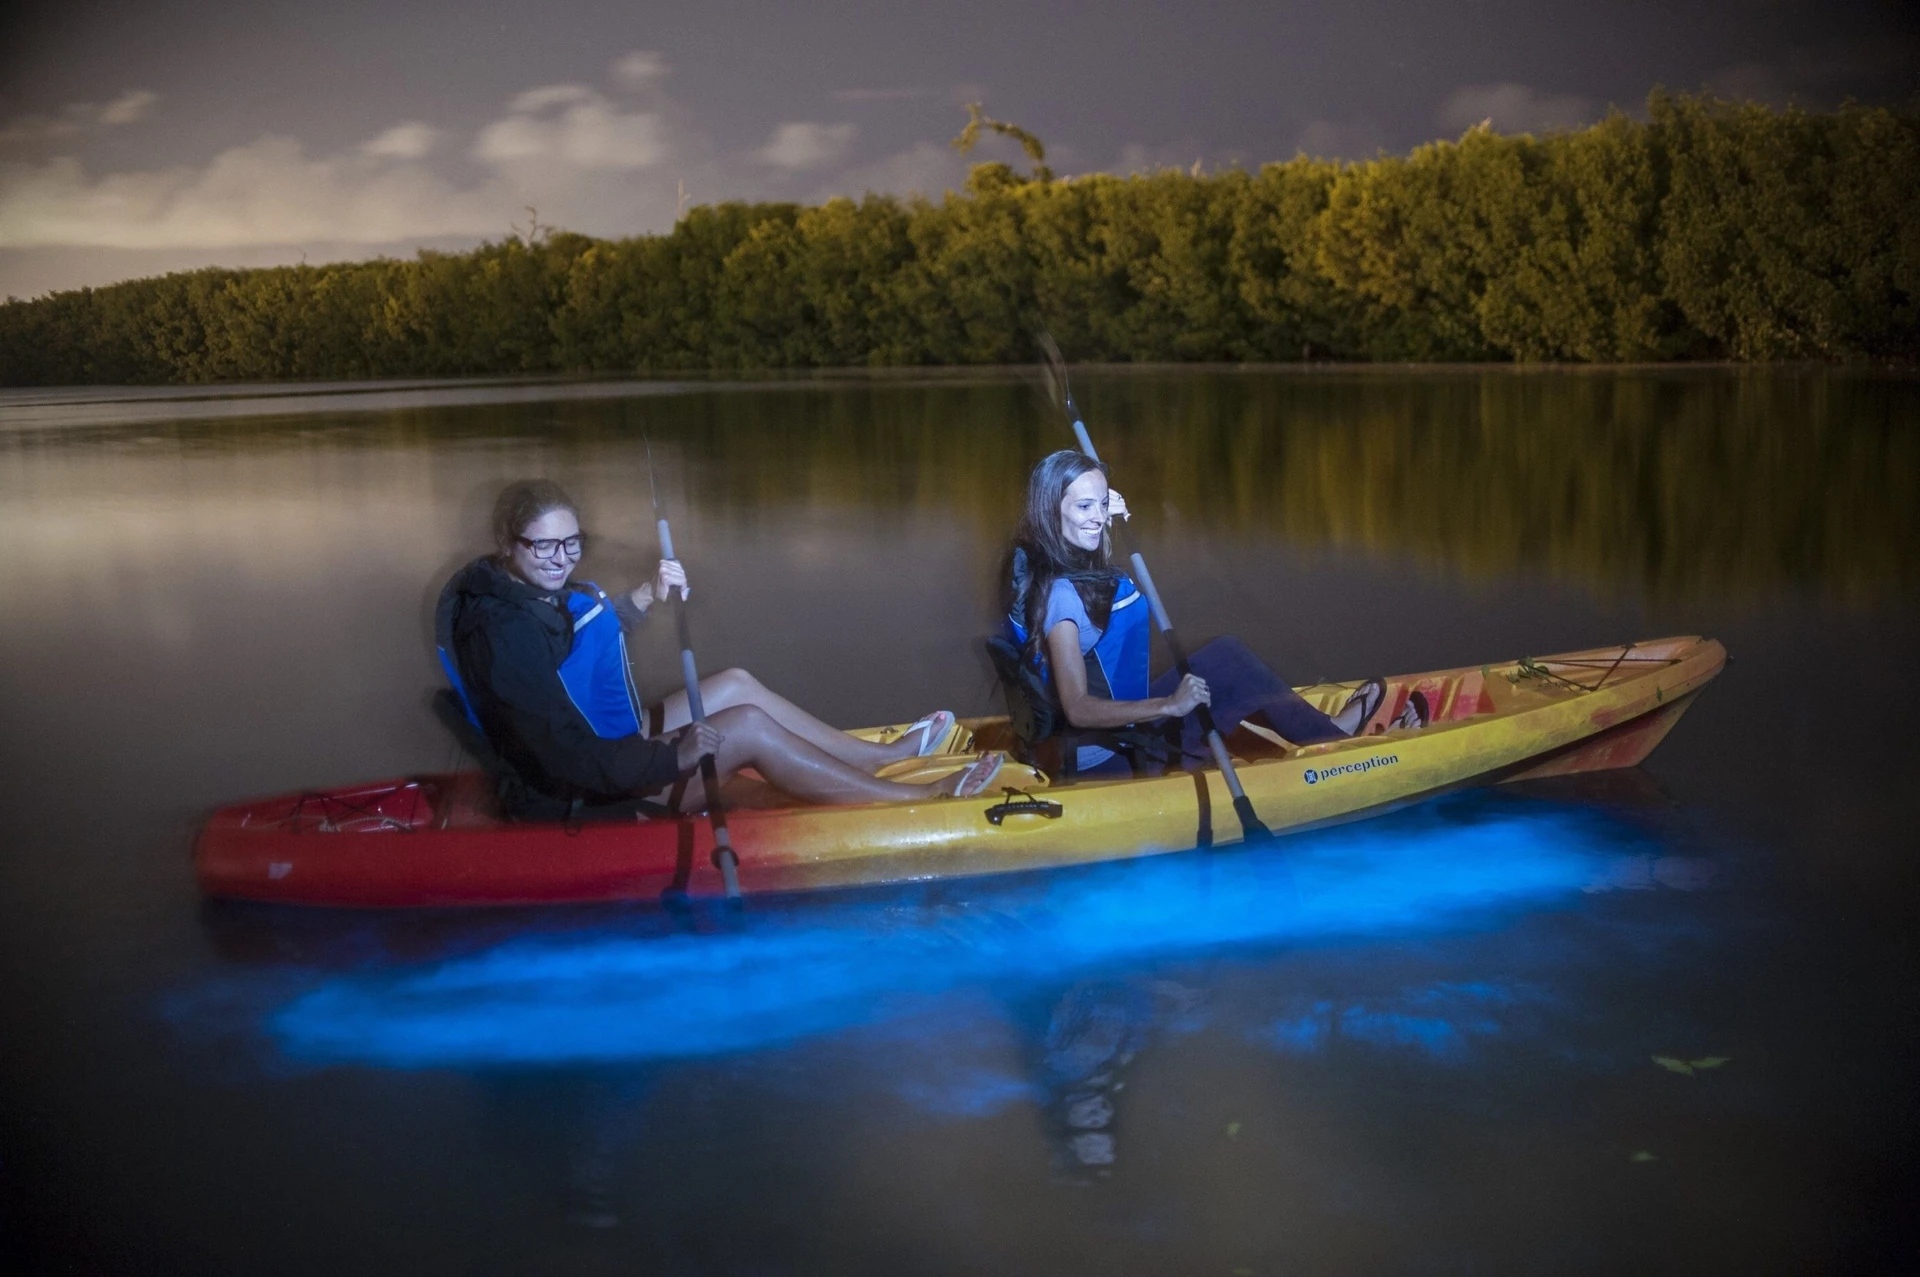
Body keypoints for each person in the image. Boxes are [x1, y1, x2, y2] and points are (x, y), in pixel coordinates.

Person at [439, 479, 1003, 819]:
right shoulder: (499, 633)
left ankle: (880, 760)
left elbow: (572, 647)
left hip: (604, 751)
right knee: (747, 728)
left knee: (733, 683)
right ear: (505, 543)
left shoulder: (515, 590)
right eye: (544, 545)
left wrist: (641, 598)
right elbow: (559, 751)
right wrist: (672, 757)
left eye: (572, 542)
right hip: (578, 794)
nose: (562, 558)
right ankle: (917, 800)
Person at [1003, 451, 1425, 778]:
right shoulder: (1061, 598)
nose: (1098, 518)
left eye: (1102, 504)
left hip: (1113, 734)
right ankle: (1340, 744)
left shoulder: (1054, 560)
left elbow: (1086, 539)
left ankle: (1328, 729)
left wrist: (1096, 506)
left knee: (1225, 656)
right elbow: (1076, 708)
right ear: (1051, 512)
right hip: (1115, 756)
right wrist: (1169, 705)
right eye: (1083, 508)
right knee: (1233, 669)